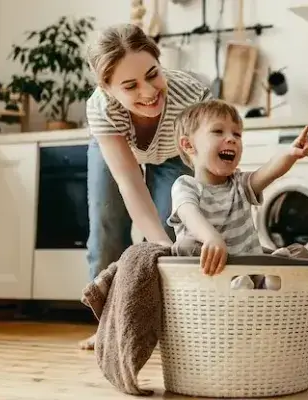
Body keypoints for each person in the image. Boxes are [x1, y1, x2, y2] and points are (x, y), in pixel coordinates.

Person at [79, 23, 212, 350]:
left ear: (159, 60)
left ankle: (170, 328)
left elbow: (209, 169)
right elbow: (128, 182)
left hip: (173, 153)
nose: (148, 92)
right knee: (107, 226)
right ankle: (109, 327)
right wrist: (157, 243)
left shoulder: (193, 96)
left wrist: (170, 242)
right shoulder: (101, 108)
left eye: (153, 74)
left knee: (174, 228)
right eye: (130, 86)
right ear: (109, 89)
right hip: (117, 147)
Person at [167, 100, 308, 289]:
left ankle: (269, 281)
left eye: (237, 134)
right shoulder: (185, 185)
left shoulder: (240, 184)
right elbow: (189, 214)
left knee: (299, 253)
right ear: (188, 145)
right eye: (218, 131)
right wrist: (211, 238)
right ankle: (240, 285)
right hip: (212, 275)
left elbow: (269, 171)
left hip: (252, 269)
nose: (232, 139)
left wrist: (291, 154)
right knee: (184, 247)